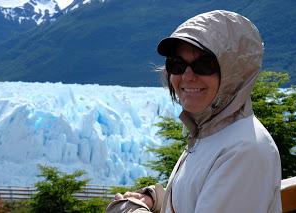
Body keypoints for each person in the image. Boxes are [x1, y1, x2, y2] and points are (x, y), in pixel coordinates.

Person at [106, 10, 282, 213]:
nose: (188, 76)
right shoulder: (211, 133)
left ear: (234, 73)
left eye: (204, 65)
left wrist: (130, 211)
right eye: (177, 64)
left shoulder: (244, 151)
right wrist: (158, 200)